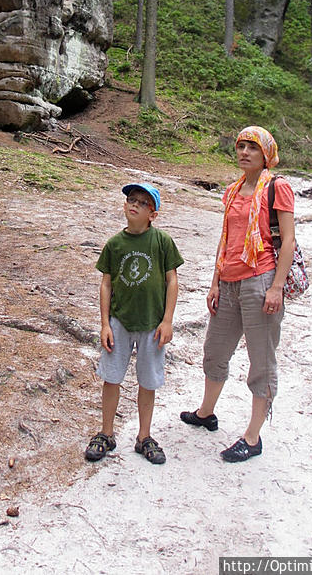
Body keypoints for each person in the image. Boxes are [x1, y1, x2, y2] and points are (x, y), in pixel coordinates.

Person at [180, 126, 295, 462]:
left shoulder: (278, 188)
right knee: (215, 351)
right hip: (228, 281)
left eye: (253, 148)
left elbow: (287, 241)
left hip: (261, 281)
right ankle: (206, 413)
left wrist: (277, 286)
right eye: (241, 146)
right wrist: (215, 282)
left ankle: (253, 436)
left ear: (266, 155)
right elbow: (226, 238)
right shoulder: (231, 191)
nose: (245, 152)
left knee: (261, 361)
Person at [85, 182, 184, 465]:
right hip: (120, 321)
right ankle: (106, 433)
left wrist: (167, 320)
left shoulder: (162, 242)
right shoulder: (115, 244)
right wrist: (105, 324)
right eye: (131, 199)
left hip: (152, 323)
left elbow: (172, 280)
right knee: (112, 376)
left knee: (148, 380)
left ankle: (144, 436)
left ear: (152, 214)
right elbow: (106, 284)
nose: (134, 205)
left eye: (142, 203)